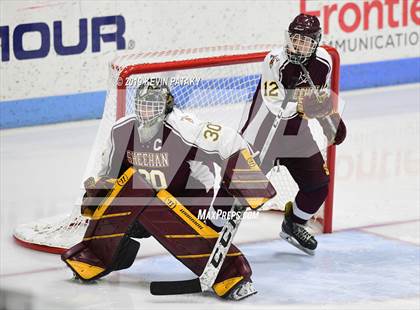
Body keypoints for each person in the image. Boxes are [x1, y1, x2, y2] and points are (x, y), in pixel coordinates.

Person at [61, 80, 275, 300]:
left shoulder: (185, 129)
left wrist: (250, 180)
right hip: (143, 209)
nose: (146, 111)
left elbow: (229, 140)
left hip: (190, 207)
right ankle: (97, 256)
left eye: (152, 105)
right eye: (142, 105)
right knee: (132, 191)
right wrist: (100, 192)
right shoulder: (122, 130)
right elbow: (110, 175)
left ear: (166, 107)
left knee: (147, 194)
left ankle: (231, 274)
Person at [239, 13, 347, 255]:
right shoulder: (274, 60)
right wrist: (303, 105)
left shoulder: (324, 62)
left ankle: (294, 224)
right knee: (240, 191)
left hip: (297, 135)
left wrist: (328, 119)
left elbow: (317, 98)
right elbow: (273, 101)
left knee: (318, 185)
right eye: (295, 39)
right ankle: (217, 230)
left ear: (315, 42)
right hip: (263, 135)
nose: (299, 45)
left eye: (306, 41)